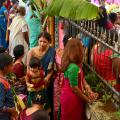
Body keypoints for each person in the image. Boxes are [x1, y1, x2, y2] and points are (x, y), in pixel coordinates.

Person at [60, 38, 98, 120]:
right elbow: (75, 88)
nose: (84, 50)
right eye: (82, 48)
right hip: (72, 98)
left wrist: (88, 88)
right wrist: (86, 99)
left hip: (76, 95)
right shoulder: (73, 67)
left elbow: (81, 77)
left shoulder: (76, 63)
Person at [27, 31, 56, 120]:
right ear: (38, 40)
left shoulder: (52, 51)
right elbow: (28, 70)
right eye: (40, 41)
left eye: (44, 42)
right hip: (33, 85)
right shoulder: (31, 52)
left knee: (46, 103)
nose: (42, 44)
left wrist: (48, 77)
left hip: (46, 83)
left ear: (49, 42)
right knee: (34, 104)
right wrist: (28, 84)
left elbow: (52, 69)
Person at [53, 34, 70, 120]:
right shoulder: (59, 52)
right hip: (62, 81)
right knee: (59, 104)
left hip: (63, 81)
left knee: (60, 104)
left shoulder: (59, 52)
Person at [0, 53, 18, 120]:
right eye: (11, 65)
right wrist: (12, 111)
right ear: (5, 67)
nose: (13, 67)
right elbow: (0, 106)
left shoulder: (4, 78)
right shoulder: (1, 83)